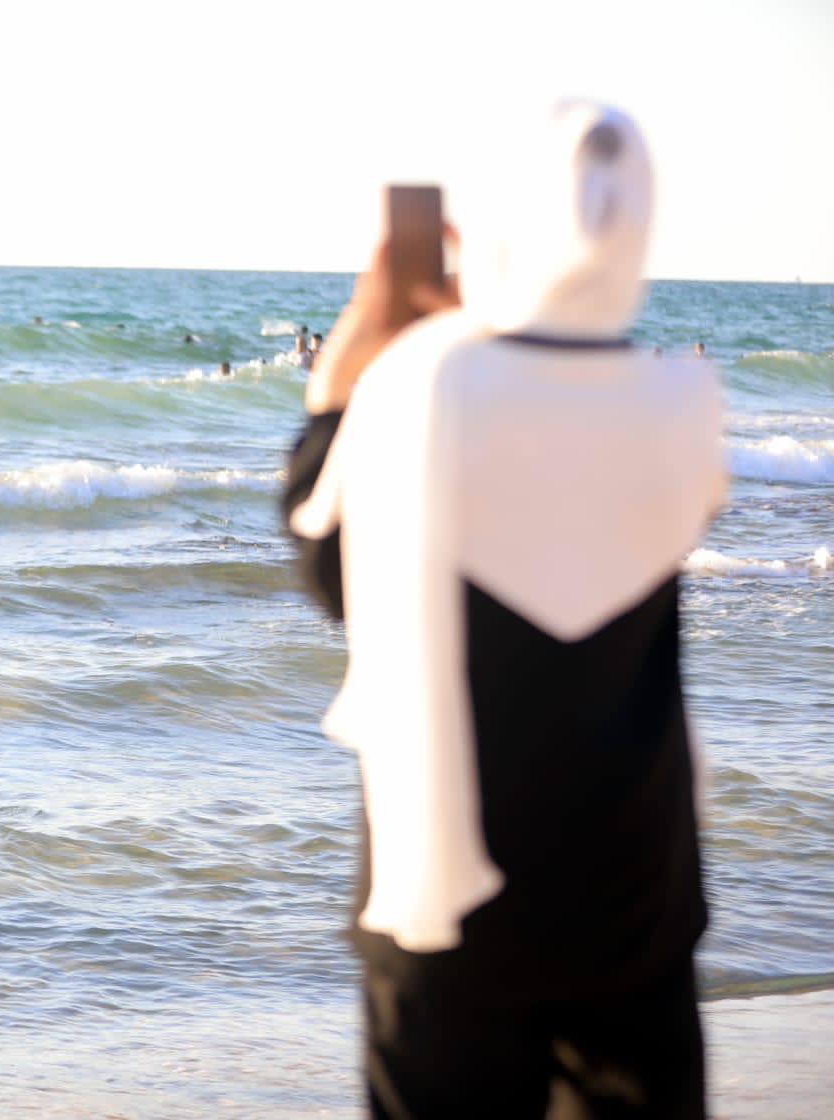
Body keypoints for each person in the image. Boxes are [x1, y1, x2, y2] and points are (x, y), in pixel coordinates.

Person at [281, 100, 727, 1117]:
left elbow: (330, 570)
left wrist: (348, 373)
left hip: (454, 889)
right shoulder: (685, 401)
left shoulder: (422, 384)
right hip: (635, 882)